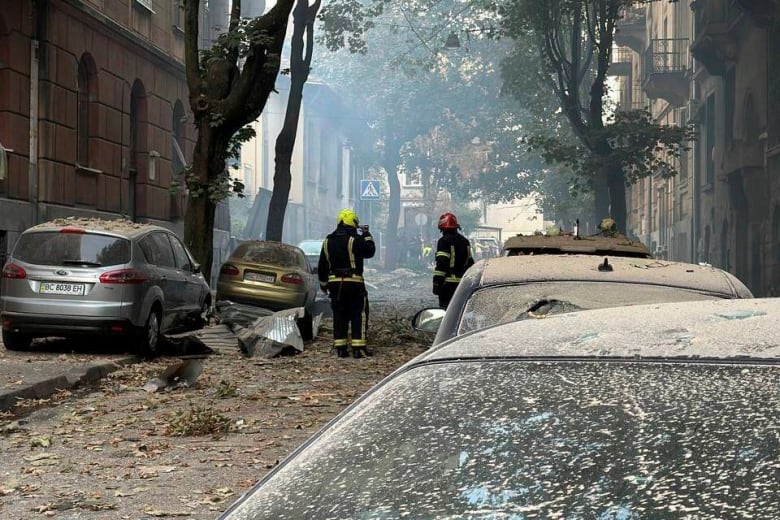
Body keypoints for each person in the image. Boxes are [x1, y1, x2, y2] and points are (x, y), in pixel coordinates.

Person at [318, 208, 376, 358]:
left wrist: (323, 284)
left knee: (339, 315)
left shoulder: (327, 241)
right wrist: (367, 234)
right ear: (353, 223)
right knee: (358, 314)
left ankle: (341, 348)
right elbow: (370, 251)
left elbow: (322, 265)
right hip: (354, 283)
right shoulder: (356, 240)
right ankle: (358, 348)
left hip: (335, 285)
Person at [432, 212, 474, 309]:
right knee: (461, 310)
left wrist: (436, 282)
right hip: (463, 284)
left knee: (447, 311)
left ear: (443, 228)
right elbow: (470, 262)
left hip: (448, 285)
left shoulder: (443, 241)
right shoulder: (465, 241)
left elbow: (442, 263)